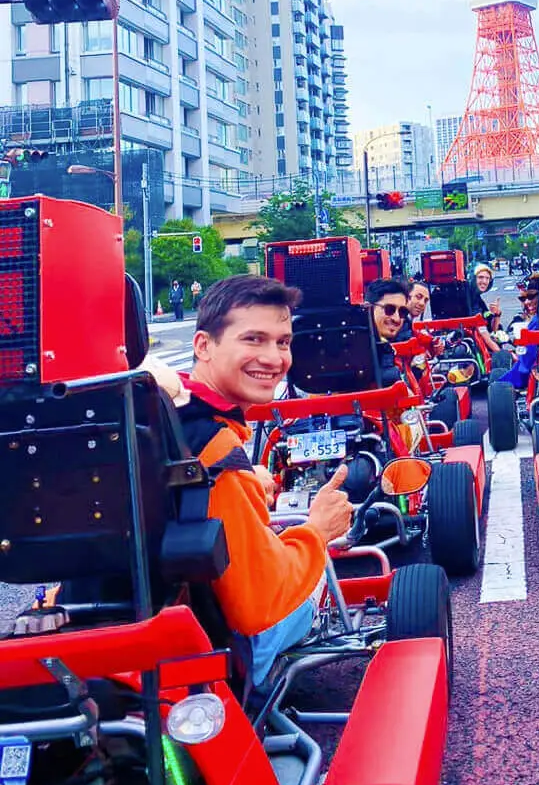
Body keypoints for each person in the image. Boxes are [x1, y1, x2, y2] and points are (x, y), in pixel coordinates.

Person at [166, 275, 353, 687]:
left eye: (283, 342)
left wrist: (246, 477)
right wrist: (318, 531)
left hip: (129, 634)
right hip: (210, 656)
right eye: (253, 339)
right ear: (203, 346)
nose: (273, 358)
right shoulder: (219, 454)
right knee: (314, 576)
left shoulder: (157, 415)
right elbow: (257, 606)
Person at [366, 278, 409, 386]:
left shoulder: (385, 347)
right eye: (389, 309)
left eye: (402, 312)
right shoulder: (358, 353)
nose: (397, 319)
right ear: (369, 308)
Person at [500, 281, 539, 388]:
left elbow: (526, 364)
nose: (527, 302)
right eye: (523, 299)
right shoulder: (530, 320)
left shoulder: (538, 322)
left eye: (531, 297)